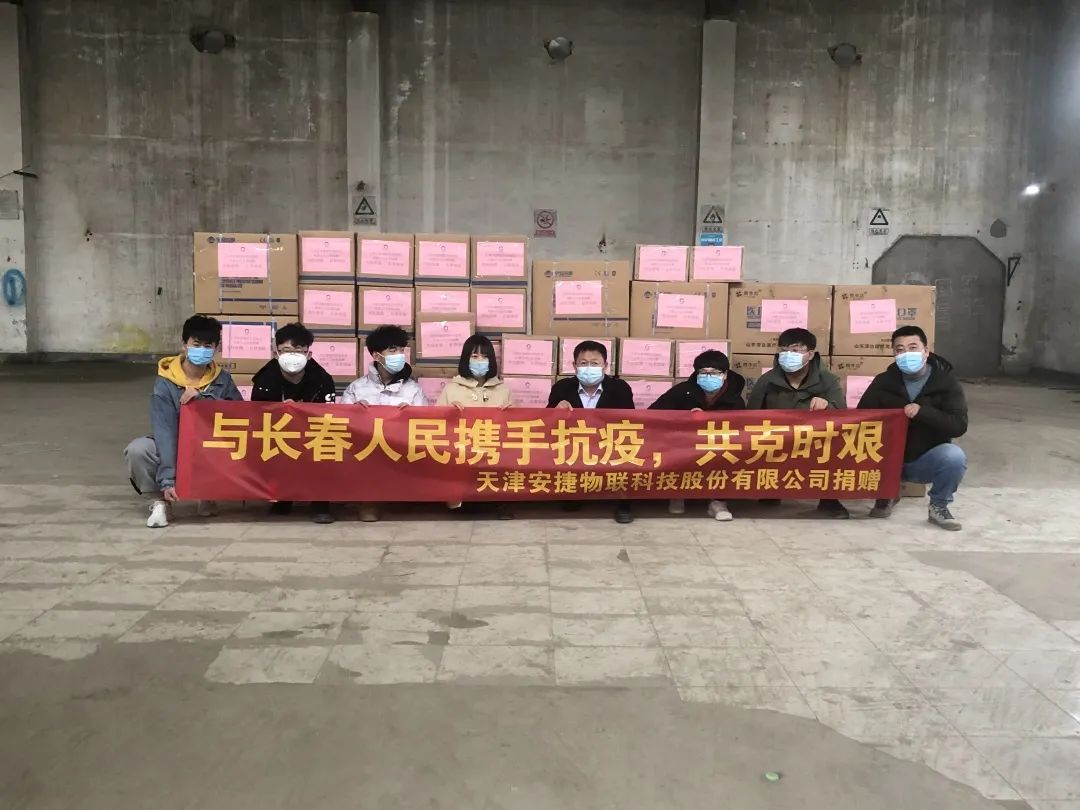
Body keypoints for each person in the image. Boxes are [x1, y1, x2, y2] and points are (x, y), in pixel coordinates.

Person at [124, 314, 242, 528]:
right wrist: (167, 479)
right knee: (139, 450)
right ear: (184, 345)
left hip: (209, 445)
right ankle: (159, 501)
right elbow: (164, 430)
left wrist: (204, 400)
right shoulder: (165, 382)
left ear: (216, 348)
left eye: (208, 346)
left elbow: (238, 416)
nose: (202, 350)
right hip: (175, 443)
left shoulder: (222, 379)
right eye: (196, 344)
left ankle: (207, 493)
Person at [857, 325, 968, 531]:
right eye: (900, 350)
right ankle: (887, 493)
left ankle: (939, 506)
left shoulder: (946, 383)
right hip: (886, 459)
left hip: (923, 459)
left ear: (926, 351)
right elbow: (861, 418)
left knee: (954, 456)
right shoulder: (883, 382)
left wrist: (924, 412)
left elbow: (958, 425)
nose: (906, 354)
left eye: (913, 347)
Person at [747, 327, 849, 518]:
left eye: (795, 350)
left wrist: (827, 406)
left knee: (838, 446)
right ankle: (771, 488)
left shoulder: (827, 380)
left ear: (810, 354)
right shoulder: (767, 381)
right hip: (777, 441)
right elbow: (750, 417)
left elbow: (843, 416)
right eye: (783, 350)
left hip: (815, 441)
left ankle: (829, 499)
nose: (788, 355)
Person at [251, 321, 337, 524]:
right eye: (286, 350)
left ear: (309, 354)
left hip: (312, 433)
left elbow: (329, 415)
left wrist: (301, 411)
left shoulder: (323, 379)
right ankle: (282, 498)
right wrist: (279, 411)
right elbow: (257, 416)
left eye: (298, 351)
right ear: (276, 353)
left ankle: (320, 502)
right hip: (278, 434)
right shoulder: (264, 381)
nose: (292, 355)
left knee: (326, 446)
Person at [342, 325, 427, 521]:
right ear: (376, 355)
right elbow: (342, 423)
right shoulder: (357, 388)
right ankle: (370, 502)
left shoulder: (413, 389)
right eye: (392, 350)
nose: (399, 355)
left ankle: (402, 496)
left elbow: (425, 424)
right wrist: (355, 411)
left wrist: (411, 414)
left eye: (401, 350)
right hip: (368, 448)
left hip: (402, 448)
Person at [649, 349, 745, 521]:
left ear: (724, 375)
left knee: (730, 455)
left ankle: (718, 502)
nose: (708, 377)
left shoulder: (735, 399)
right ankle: (677, 494)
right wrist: (685, 417)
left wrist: (710, 419)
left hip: (717, 445)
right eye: (703, 373)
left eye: (714, 373)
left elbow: (741, 428)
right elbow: (654, 413)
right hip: (684, 443)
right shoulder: (682, 391)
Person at [547, 340, 636, 524]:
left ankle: (623, 502)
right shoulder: (562, 388)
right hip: (575, 445)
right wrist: (555, 410)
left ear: (605, 365)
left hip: (610, 444)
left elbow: (631, 424)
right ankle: (573, 493)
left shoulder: (620, 388)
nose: (589, 368)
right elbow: (546, 423)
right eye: (583, 363)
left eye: (595, 363)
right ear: (574, 366)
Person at [438, 333, 515, 518]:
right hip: (462, 454)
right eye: (474, 356)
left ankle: (500, 501)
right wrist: (448, 413)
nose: (480, 360)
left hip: (494, 453)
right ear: (466, 359)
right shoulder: (451, 389)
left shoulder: (503, 390)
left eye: (485, 356)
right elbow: (435, 427)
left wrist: (513, 414)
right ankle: (460, 499)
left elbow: (517, 430)